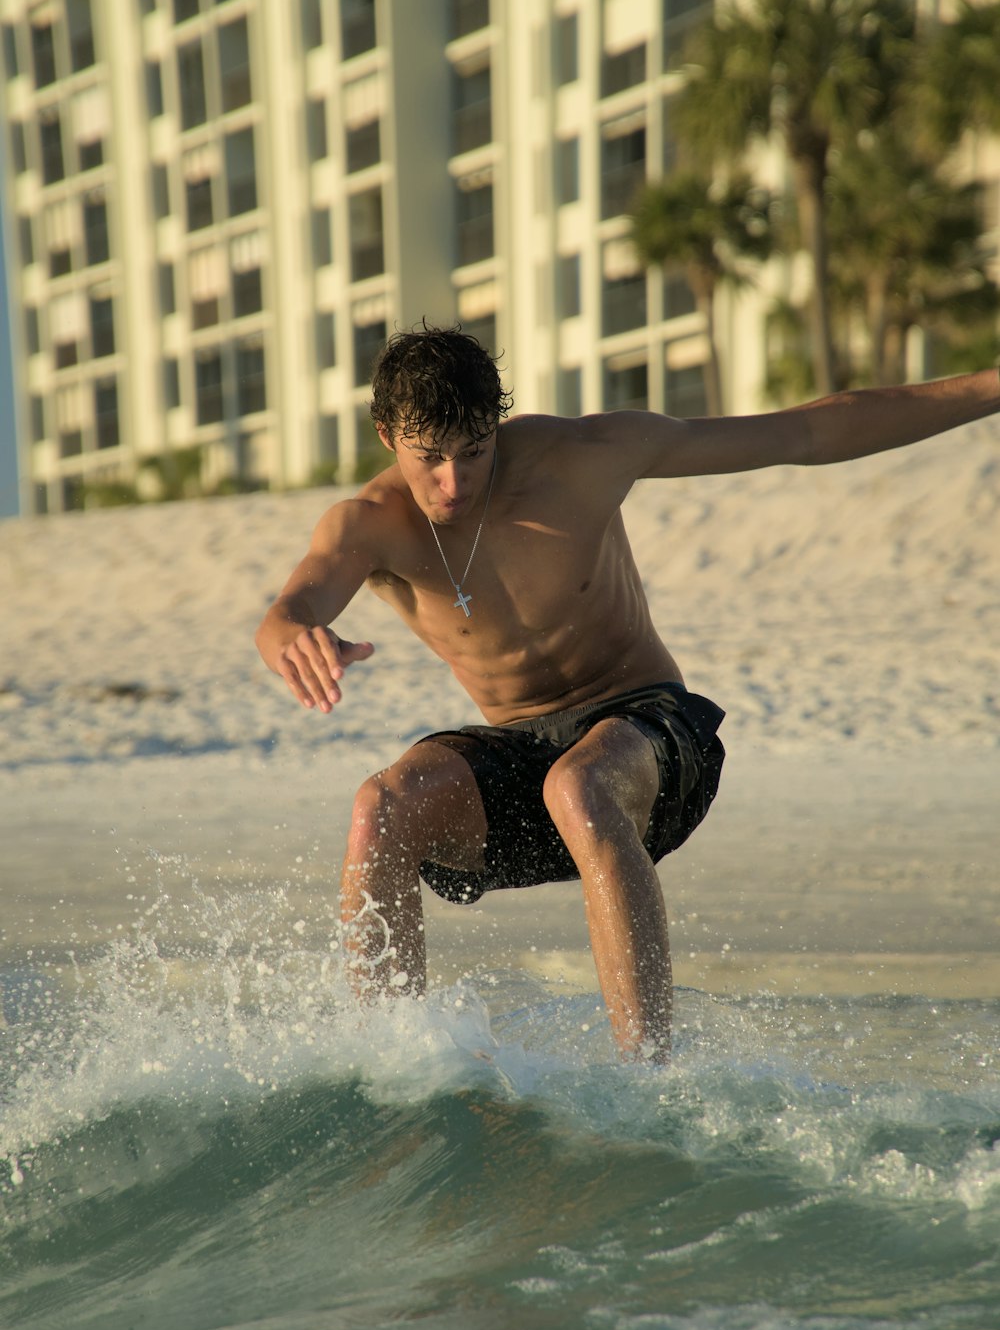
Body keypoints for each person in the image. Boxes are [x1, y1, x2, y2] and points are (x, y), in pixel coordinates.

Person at [256, 326, 999, 1062]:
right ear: (388, 436)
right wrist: (294, 636)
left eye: (475, 450)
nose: (455, 482)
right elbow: (289, 610)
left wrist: (989, 385)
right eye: (431, 459)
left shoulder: (585, 458)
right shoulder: (368, 526)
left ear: (498, 428)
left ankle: (646, 1078)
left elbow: (806, 429)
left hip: (649, 735)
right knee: (379, 809)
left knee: (579, 785)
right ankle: (394, 1065)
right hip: (523, 769)